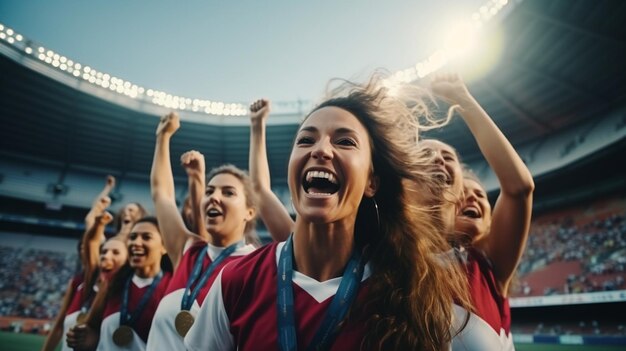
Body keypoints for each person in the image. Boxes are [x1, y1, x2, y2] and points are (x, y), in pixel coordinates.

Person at [185, 74, 472, 351]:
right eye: (306, 140)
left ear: (372, 182)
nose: (321, 150)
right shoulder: (236, 280)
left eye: (345, 141)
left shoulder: (412, 294)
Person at [427, 73, 535, 350]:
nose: (473, 198)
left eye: (481, 196)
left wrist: (463, 100)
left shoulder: (485, 265)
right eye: (464, 196)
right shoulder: (393, 259)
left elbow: (519, 188)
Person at [146, 112, 259, 350]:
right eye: (209, 192)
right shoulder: (188, 250)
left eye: (228, 192)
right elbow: (162, 195)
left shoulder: (257, 266)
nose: (214, 198)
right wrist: (162, 138)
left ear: (249, 211)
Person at [68, 217, 172, 351]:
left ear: (164, 246)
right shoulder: (113, 282)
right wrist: (83, 338)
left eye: (146, 237)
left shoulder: (172, 286)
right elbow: (92, 328)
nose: (136, 243)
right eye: (133, 237)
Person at [41, 176, 116, 351]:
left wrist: (106, 195)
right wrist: (106, 191)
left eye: (89, 245)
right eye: (81, 247)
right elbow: (58, 326)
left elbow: (91, 222)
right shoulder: (77, 282)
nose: (85, 248)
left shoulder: (115, 284)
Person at [248, 99, 294, 241]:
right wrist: (257, 126)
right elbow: (259, 187)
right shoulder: (298, 245)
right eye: (307, 141)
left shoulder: (363, 253)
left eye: (344, 142)